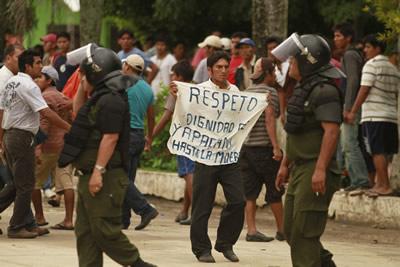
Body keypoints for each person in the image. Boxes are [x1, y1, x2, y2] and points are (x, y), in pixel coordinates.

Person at [58, 45, 156, 266]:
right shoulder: (98, 98)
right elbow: (78, 112)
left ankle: (139, 264)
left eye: (84, 75)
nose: (80, 79)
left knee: (105, 232)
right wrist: (83, 84)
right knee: (85, 234)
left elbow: (110, 137)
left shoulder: (111, 100)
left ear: (97, 74)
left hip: (105, 178)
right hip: (87, 176)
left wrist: (98, 172)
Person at [274, 34, 343, 266]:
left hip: (316, 167)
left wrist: (321, 169)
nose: (290, 64)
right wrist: (285, 165)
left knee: (305, 232)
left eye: (293, 60)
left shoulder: (325, 91)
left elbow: (332, 132)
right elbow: (295, 132)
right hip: (299, 168)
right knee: (291, 229)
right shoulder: (303, 88)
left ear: (308, 61)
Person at [170, 51, 245, 263]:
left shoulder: (235, 91)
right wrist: (179, 95)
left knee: (238, 201)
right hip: (205, 157)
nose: (223, 70)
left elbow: (243, 115)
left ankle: (225, 243)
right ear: (209, 70)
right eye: (218, 67)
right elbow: (186, 113)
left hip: (229, 157)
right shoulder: (199, 91)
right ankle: (202, 249)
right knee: (202, 206)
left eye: (225, 67)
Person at [0, 49, 71, 238]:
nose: (42, 66)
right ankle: (16, 227)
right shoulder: (28, 85)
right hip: (21, 137)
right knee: (26, 185)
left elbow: (3, 112)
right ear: (28, 66)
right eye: (38, 63)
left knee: (16, 183)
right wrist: (69, 127)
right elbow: (45, 112)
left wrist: (2, 139)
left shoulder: (11, 83)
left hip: (11, 136)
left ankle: (28, 224)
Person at [348, 34, 400, 197]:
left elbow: (364, 89)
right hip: (390, 115)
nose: (365, 50)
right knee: (385, 151)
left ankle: (383, 185)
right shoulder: (393, 68)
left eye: (368, 47)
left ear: (378, 49)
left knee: (376, 151)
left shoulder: (371, 65)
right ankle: (380, 184)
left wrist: (353, 111)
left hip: (374, 115)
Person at [240, 57, 285, 243]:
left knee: (249, 193)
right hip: (264, 149)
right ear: (267, 73)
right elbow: (269, 120)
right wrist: (276, 147)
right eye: (273, 72)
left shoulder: (247, 92)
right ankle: (282, 230)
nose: (275, 75)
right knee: (274, 190)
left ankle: (251, 230)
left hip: (246, 149)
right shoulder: (270, 93)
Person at [31, 65, 75, 230]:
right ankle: (69, 220)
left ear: (49, 80)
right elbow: (70, 119)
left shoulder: (43, 97)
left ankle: (40, 217)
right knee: (67, 182)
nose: (36, 80)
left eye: (40, 78)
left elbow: (44, 124)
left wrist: (37, 147)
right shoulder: (64, 97)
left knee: (34, 182)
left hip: (47, 147)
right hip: (64, 146)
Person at [152, 60, 194, 225]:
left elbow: (166, 117)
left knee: (189, 174)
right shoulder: (199, 88)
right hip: (199, 137)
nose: (171, 77)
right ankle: (184, 210)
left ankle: (195, 213)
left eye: (173, 74)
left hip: (184, 137)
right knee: (189, 173)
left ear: (180, 77)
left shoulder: (177, 91)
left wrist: (150, 136)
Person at [121, 54, 159, 230]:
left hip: (126, 134)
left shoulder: (123, 84)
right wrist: (149, 138)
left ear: (128, 67)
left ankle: (145, 209)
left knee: (119, 177)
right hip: (139, 135)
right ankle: (123, 219)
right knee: (128, 179)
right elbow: (151, 117)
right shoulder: (147, 88)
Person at [333, 22, 370, 192]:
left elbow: (353, 81)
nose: (335, 39)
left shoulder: (350, 55)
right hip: (350, 105)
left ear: (348, 38)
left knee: (349, 144)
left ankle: (360, 180)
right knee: (344, 145)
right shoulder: (349, 54)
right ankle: (350, 179)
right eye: (335, 36)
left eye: (339, 36)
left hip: (352, 105)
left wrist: (348, 108)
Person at [0, 44, 24, 190]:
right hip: (5, 132)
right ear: (8, 58)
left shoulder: (15, 78)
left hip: (10, 132)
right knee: (12, 181)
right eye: (18, 57)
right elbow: (1, 111)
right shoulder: (3, 80)